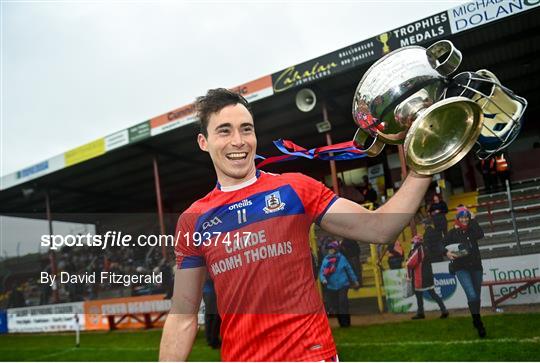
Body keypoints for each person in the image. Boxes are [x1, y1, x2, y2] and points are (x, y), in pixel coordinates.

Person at [159, 88, 433, 362]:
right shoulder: (193, 220)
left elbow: (379, 228)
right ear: (203, 141)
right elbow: (182, 315)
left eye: (246, 129)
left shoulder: (294, 188)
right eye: (224, 131)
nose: (239, 141)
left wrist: (427, 160)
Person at [444, 206, 486, 338]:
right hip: (461, 268)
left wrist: (474, 219)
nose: (464, 219)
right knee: (472, 295)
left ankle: (475, 318)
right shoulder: (452, 233)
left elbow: (480, 234)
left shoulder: (473, 229)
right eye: (462, 217)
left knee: (476, 296)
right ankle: (478, 322)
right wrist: (446, 253)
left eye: (466, 217)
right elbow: (441, 244)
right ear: (457, 219)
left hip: (476, 266)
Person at [406, 235, 448, 320]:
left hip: (420, 276)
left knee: (419, 295)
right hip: (427, 274)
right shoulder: (425, 248)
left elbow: (410, 263)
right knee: (432, 294)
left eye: (412, 242)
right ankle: (443, 310)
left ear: (416, 242)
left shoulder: (418, 250)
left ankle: (422, 313)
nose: (412, 244)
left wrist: (407, 263)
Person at [319, 241, 359, 327]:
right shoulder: (325, 260)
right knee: (335, 305)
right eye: (329, 248)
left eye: (332, 248)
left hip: (343, 284)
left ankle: (346, 323)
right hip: (331, 286)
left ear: (336, 249)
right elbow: (322, 272)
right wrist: (323, 280)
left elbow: (349, 270)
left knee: (342, 302)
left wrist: (354, 280)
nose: (330, 250)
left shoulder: (342, 258)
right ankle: (341, 323)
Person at [202, 275, 222, 349]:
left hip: (208, 291)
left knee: (210, 316)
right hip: (210, 292)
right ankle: (213, 341)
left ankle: (210, 339)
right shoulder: (207, 267)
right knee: (215, 316)